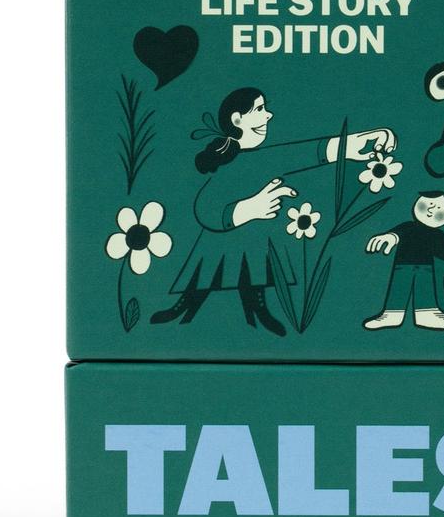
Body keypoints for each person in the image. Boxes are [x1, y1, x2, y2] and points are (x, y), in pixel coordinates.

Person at [151, 87, 396, 335]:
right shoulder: (228, 163)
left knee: (254, 277)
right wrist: (251, 208)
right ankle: (183, 309)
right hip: (218, 243)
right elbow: (205, 209)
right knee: (204, 281)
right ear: (237, 120)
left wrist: (358, 142)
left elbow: (303, 153)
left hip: (252, 242)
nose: (268, 115)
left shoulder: (263, 158)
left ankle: (257, 310)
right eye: (259, 109)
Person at [363, 191, 444, 330]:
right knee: (399, 288)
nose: (431, 210)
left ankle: (427, 314)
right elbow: (399, 234)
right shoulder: (408, 226)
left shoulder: (438, 234)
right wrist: (390, 237)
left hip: (425, 268)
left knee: (425, 289)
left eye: (439, 208)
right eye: (429, 203)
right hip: (403, 267)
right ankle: (391, 315)